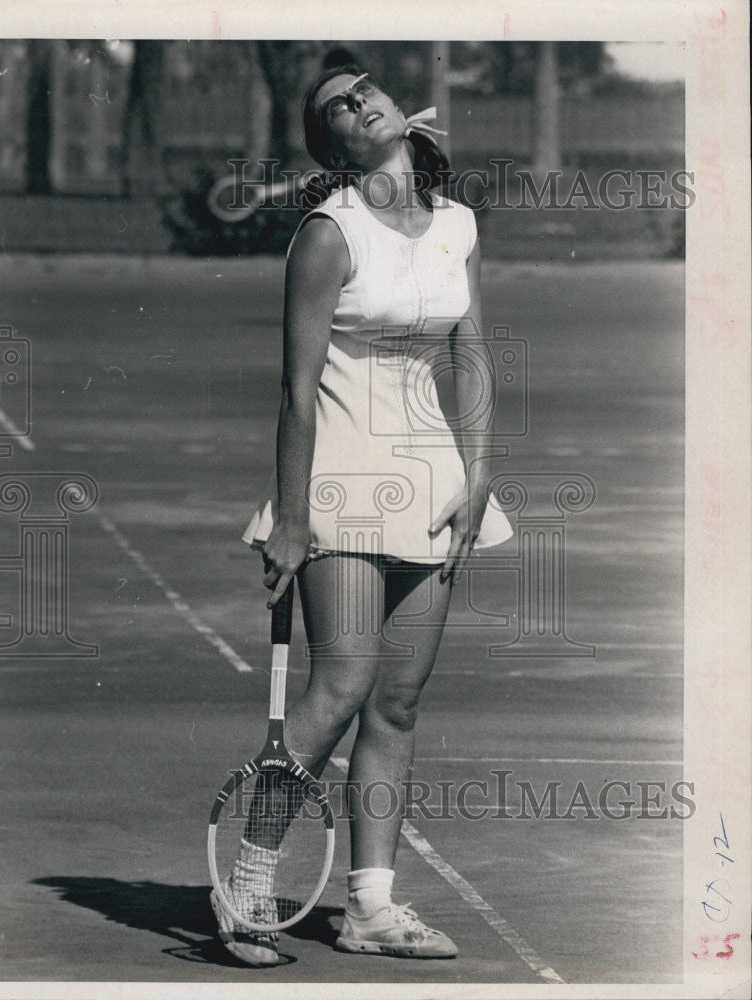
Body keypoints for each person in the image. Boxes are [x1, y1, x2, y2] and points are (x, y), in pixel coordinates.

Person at [212, 63, 512, 966]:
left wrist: (481, 471)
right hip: (340, 482)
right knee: (338, 689)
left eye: (364, 87)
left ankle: (370, 909)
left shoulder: (455, 224)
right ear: (331, 144)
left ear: (395, 111)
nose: (358, 101)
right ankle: (250, 887)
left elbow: (475, 353)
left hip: (434, 486)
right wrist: (293, 520)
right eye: (336, 105)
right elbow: (295, 392)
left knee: (398, 702)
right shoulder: (327, 233)